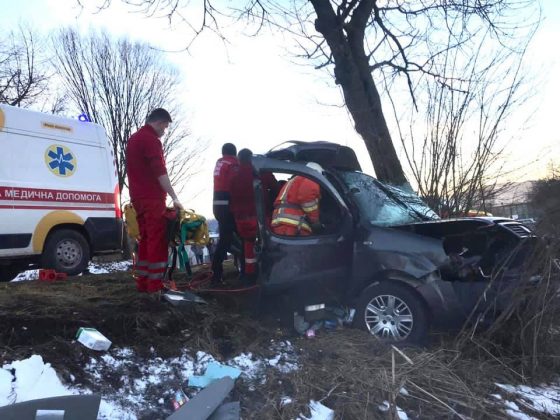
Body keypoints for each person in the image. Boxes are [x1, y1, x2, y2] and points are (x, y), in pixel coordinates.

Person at [125, 108, 183, 293]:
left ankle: (143, 282)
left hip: (138, 198)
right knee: (157, 241)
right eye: (164, 127)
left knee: (145, 240)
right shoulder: (151, 141)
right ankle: (155, 286)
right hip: (152, 198)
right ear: (159, 122)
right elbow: (160, 172)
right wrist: (174, 197)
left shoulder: (133, 139)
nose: (164, 131)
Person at [229, 148, 259, 283]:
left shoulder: (234, 176)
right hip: (257, 217)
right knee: (262, 244)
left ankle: (248, 273)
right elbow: (273, 186)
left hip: (240, 219)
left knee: (247, 245)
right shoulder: (258, 172)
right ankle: (258, 271)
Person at [211, 143, 239, 284]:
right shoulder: (233, 163)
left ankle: (217, 273)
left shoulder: (220, 162)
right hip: (228, 205)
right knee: (229, 240)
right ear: (234, 153)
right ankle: (216, 276)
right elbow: (237, 183)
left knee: (226, 238)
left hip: (217, 205)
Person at [271, 162, 322, 237]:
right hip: (291, 224)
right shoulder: (310, 178)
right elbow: (307, 200)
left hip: (282, 222)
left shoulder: (296, 179)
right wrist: (315, 221)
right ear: (316, 172)